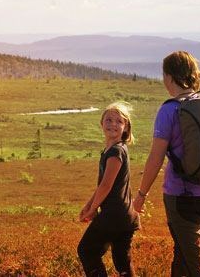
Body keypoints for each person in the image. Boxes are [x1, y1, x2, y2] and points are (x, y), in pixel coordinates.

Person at [132, 51, 200, 277]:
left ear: (169, 77)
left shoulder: (169, 109)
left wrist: (141, 194)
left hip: (182, 196)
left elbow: (156, 157)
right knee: (183, 256)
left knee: (197, 264)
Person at [78, 102, 140, 277]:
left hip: (113, 215)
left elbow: (106, 185)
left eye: (119, 121)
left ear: (126, 126)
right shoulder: (115, 149)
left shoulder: (115, 152)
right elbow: (103, 186)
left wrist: (92, 209)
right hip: (125, 216)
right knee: (122, 260)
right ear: (101, 123)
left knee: (87, 250)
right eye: (109, 120)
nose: (113, 124)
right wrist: (89, 205)